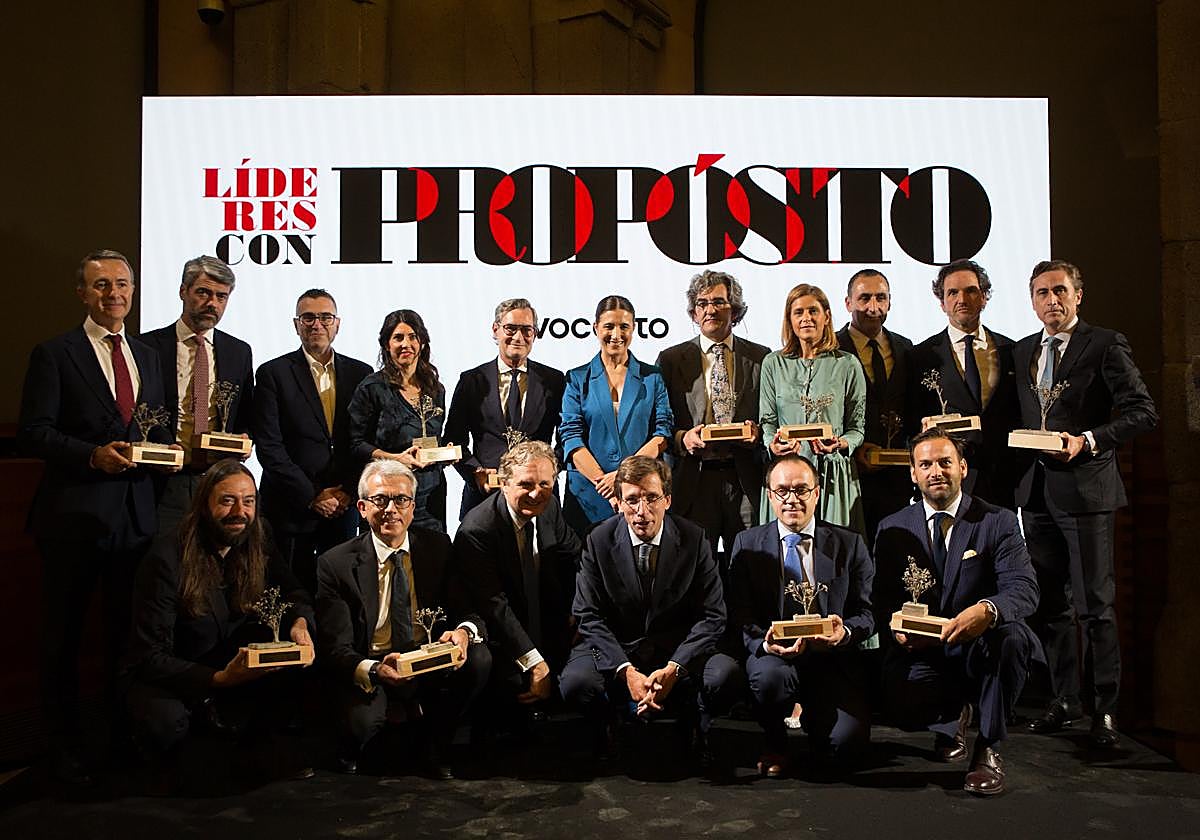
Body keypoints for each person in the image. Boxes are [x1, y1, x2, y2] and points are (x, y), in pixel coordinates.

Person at [17, 249, 176, 785]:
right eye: (102, 284)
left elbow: (152, 428)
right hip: (74, 519)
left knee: (126, 639)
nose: (114, 294)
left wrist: (169, 451)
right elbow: (33, 433)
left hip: (137, 518)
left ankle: (119, 741)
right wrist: (90, 456)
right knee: (63, 639)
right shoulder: (54, 354)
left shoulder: (147, 355)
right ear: (82, 293)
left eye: (122, 284)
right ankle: (62, 749)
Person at [1015, 260, 1157, 748]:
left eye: (1059, 290)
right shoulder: (1024, 350)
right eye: (1041, 292)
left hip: (1087, 492)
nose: (1051, 300)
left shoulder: (1104, 344)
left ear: (1078, 296)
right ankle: (1064, 700)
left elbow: (1143, 412)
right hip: (1036, 493)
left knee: (1096, 605)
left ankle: (1106, 711)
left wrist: (1089, 440)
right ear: (1032, 301)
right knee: (1053, 605)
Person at [123, 460, 315, 779]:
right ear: (203, 505)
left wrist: (299, 623)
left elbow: (293, 590)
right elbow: (150, 657)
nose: (240, 512)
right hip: (178, 674)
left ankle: (253, 746)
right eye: (227, 500)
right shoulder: (166, 559)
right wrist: (219, 679)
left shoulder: (259, 535)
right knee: (166, 723)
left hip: (231, 661)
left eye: (248, 501)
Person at [874, 429, 1040, 796]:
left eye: (945, 462)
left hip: (982, 646)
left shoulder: (997, 521)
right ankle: (952, 718)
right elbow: (882, 599)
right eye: (925, 464)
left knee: (1014, 638)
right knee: (900, 699)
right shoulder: (892, 528)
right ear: (913, 473)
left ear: (962, 468)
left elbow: (1024, 589)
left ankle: (988, 748)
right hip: (924, 650)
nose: (936, 471)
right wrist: (896, 627)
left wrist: (987, 610)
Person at [316, 459, 491, 778]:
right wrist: (375, 671)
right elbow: (335, 647)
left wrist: (464, 632)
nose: (391, 509)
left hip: (427, 660)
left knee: (479, 658)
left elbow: (469, 611)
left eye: (400, 500)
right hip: (374, 663)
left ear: (412, 507)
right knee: (363, 730)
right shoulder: (335, 564)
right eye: (380, 500)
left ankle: (436, 743)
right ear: (362, 508)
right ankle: (396, 717)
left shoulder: (438, 546)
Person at [714, 454, 874, 777]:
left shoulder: (849, 543)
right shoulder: (747, 544)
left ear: (817, 493)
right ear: (770, 496)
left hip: (831, 659)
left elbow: (868, 613)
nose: (792, 499)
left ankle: (820, 729)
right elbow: (739, 612)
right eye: (782, 490)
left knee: (847, 746)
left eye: (801, 490)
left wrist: (844, 632)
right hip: (775, 660)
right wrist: (764, 643)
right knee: (768, 678)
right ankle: (775, 741)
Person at [560, 456, 725, 764]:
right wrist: (625, 670)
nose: (642, 511)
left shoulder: (694, 537)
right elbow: (587, 613)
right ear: (618, 502)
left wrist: (675, 667)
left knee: (724, 675)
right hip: (618, 646)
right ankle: (607, 728)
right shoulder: (597, 539)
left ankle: (697, 727)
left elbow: (713, 615)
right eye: (632, 500)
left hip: (675, 646)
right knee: (576, 682)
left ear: (668, 500)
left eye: (652, 498)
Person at [253, 289, 372, 595]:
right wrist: (312, 495)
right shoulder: (272, 373)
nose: (317, 324)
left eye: (325, 317)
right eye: (308, 318)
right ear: (296, 324)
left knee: (342, 594)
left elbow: (365, 441)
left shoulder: (361, 373)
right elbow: (269, 446)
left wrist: (347, 491)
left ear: (337, 324)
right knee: (289, 594)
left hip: (344, 507)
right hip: (290, 508)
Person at [454, 441, 582, 723]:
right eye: (526, 484)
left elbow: (576, 556)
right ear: (504, 483)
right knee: (512, 705)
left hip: (545, 619)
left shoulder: (549, 507)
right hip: (501, 635)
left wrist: (580, 612)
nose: (536, 493)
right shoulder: (477, 531)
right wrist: (534, 663)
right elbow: (494, 606)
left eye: (545, 484)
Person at [656, 270, 770, 575]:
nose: (710, 309)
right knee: (692, 571)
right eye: (702, 303)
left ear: (735, 310)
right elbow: (659, 421)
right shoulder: (670, 359)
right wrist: (682, 438)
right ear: (693, 313)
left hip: (744, 479)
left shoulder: (762, 357)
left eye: (719, 302)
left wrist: (758, 433)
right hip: (694, 479)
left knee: (751, 569)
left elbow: (772, 416)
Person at [142, 255, 255, 532]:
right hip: (162, 481)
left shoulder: (239, 351)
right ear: (183, 291)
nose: (212, 303)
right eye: (203, 292)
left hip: (219, 481)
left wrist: (244, 439)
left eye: (221, 296)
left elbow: (246, 413)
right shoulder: (146, 347)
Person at [906, 259, 1019, 509]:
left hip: (1003, 480)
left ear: (984, 297)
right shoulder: (920, 357)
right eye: (952, 293)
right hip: (946, 483)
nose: (962, 299)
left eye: (971, 291)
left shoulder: (1012, 351)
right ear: (942, 302)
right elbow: (912, 422)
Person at [559, 296, 673, 536]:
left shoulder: (653, 377)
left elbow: (662, 434)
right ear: (595, 328)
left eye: (624, 326)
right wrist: (605, 484)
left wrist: (623, 478)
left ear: (634, 329)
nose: (616, 334)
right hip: (588, 495)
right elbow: (571, 438)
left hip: (640, 495)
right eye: (609, 326)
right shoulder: (576, 378)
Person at [443, 298, 565, 518]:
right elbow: (453, 439)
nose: (518, 337)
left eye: (527, 330)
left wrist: (548, 471)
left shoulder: (554, 381)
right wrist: (476, 473)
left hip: (539, 500)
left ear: (535, 334)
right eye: (510, 328)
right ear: (495, 329)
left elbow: (567, 438)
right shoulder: (472, 380)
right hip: (483, 499)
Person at [760, 283, 867, 533]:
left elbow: (857, 428)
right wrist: (772, 445)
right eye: (798, 312)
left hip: (833, 474)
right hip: (786, 474)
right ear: (789, 319)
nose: (806, 318)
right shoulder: (773, 363)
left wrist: (840, 443)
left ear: (826, 316)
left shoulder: (847, 364)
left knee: (834, 548)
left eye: (813, 311)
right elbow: (767, 422)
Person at [348, 309, 450, 532]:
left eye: (413, 337)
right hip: (388, 499)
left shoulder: (435, 389)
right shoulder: (372, 388)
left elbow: (434, 437)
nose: (406, 344)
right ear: (387, 344)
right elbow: (355, 444)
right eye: (398, 338)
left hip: (430, 498)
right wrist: (395, 459)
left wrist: (445, 453)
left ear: (422, 343)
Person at [836, 269, 915, 538]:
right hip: (847, 477)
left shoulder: (906, 348)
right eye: (864, 298)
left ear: (890, 302)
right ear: (848, 303)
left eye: (881, 298)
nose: (873, 307)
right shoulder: (830, 349)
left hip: (897, 480)